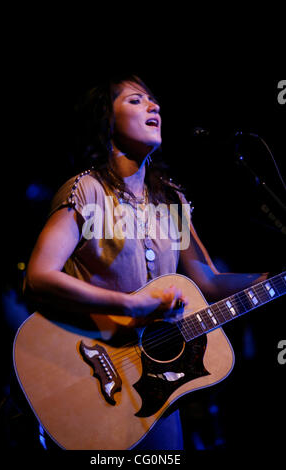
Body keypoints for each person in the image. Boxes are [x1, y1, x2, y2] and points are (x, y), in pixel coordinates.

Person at [24, 74, 268, 450]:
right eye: (136, 101)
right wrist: (131, 304)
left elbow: (206, 278)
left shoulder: (171, 201)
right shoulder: (87, 190)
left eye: (153, 101)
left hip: (152, 384)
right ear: (107, 119)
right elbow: (39, 277)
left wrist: (271, 279)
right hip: (90, 358)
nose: (154, 106)